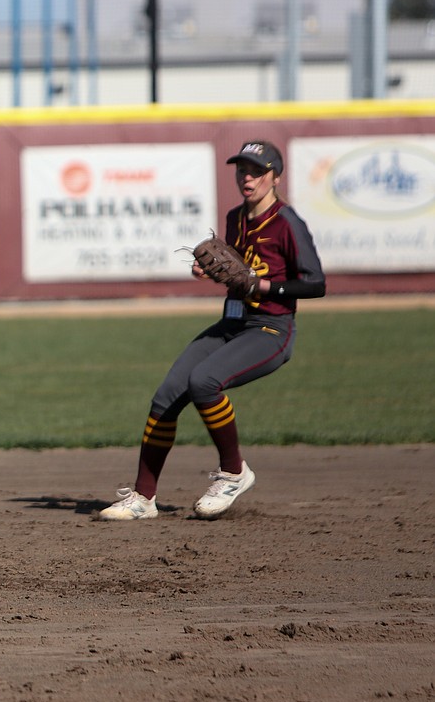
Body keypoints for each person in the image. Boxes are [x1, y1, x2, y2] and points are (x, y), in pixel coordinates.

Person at [100, 140, 326, 521]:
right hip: (232, 324)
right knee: (166, 396)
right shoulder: (236, 218)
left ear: (275, 177)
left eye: (256, 171)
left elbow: (316, 283)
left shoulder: (288, 223)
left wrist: (268, 286)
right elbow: (236, 273)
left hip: (271, 328)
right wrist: (208, 272)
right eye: (242, 170)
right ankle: (143, 497)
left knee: (204, 382)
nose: (247, 177)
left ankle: (234, 472)